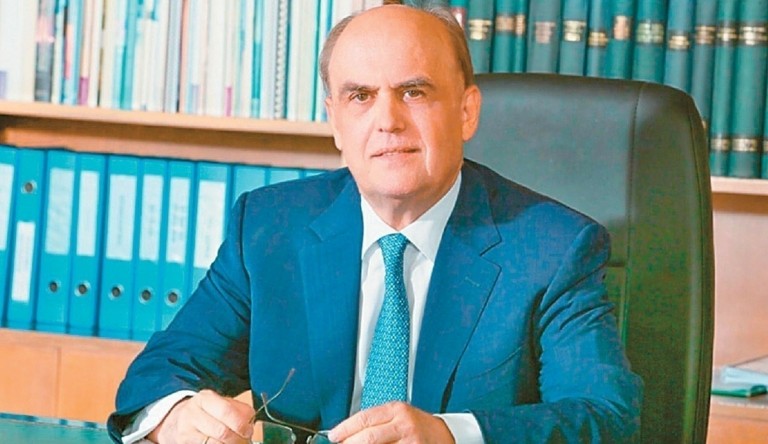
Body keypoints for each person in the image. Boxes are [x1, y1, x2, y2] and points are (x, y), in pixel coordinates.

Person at [108, 4, 643, 443]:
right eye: (360, 96)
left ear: (466, 111)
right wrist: (176, 415)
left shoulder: (554, 248)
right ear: (335, 121)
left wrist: (449, 436)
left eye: (414, 92)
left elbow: (606, 417)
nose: (388, 120)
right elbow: (158, 374)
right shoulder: (270, 228)